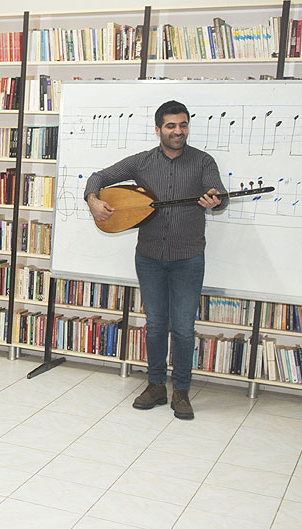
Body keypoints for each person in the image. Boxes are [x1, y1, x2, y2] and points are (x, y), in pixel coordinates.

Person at [84, 100, 228, 420]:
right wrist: (93, 200)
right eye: (171, 126)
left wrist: (214, 201)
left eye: (183, 125)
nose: (178, 131)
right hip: (149, 257)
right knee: (155, 326)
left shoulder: (203, 162)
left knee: (183, 329)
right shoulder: (142, 162)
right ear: (158, 129)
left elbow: (218, 194)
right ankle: (155, 386)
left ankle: (181, 392)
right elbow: (98, 176)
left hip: (188, 257)